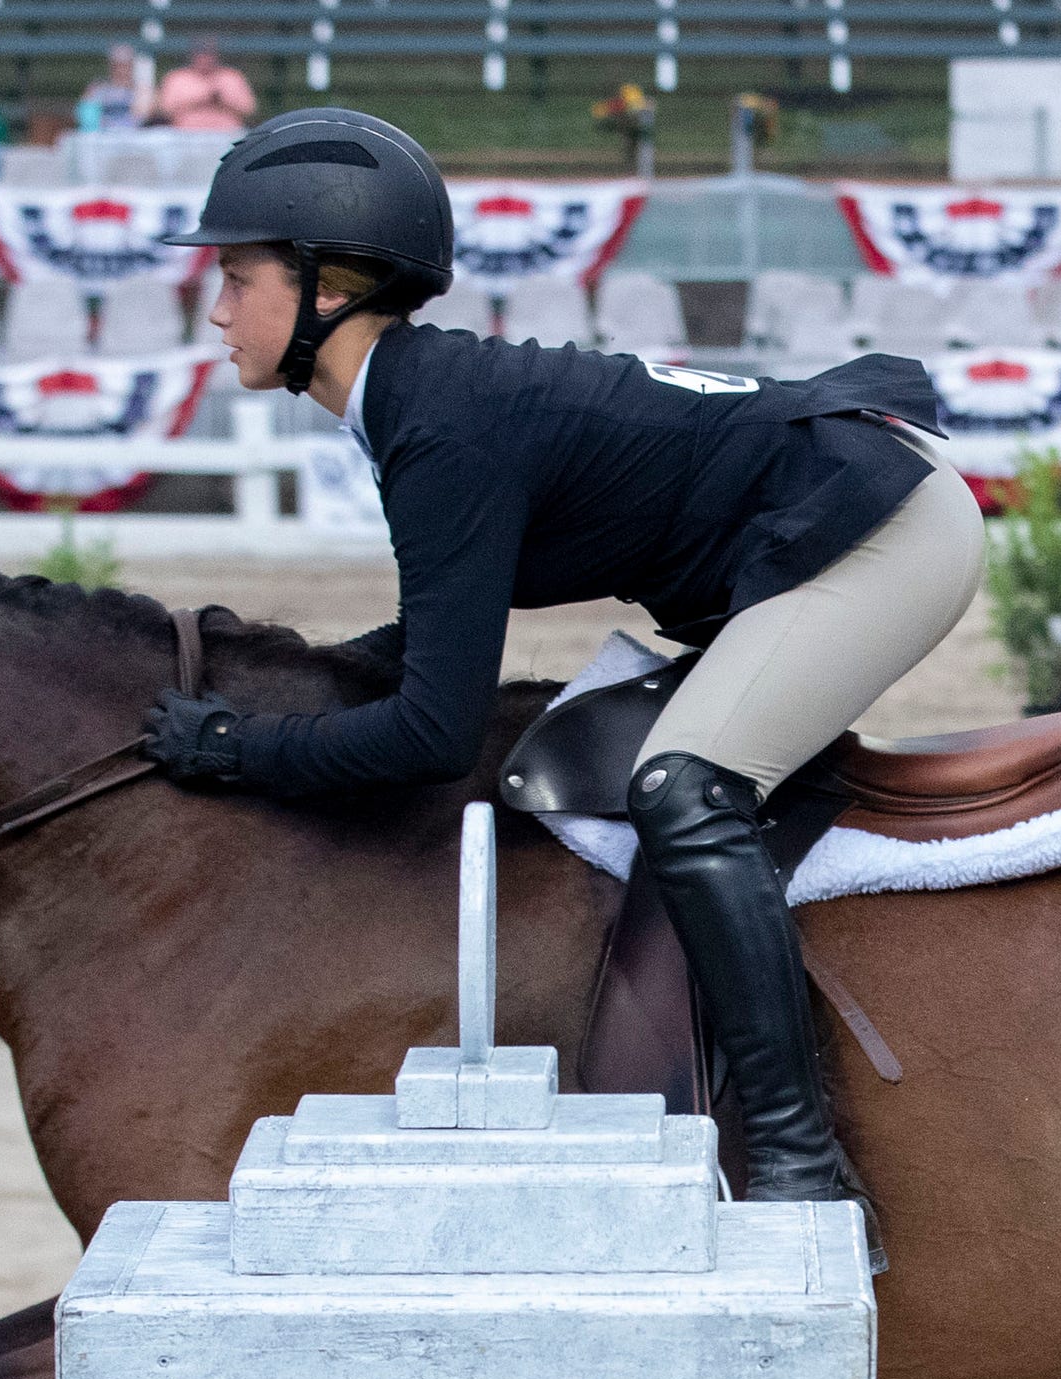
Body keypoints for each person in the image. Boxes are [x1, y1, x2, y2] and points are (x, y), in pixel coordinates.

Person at [142, 109, 983, 1216]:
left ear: (324, 289)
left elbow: (429, 735)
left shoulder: (437, 430)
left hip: (880, 529)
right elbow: (431, 639)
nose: (215, 310)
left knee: (684, 785)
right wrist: (284, 680)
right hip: (827, 514)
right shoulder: (425, 402)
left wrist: (239, 750)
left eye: (237, 277)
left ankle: (801, 1168)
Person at [149, 39, 255, 133]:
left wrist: (221, 101)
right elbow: (164, 110)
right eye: (201, 54)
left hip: (226, 135)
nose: (205, 59)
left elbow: (249, 110)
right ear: (193, 55)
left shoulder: (232, 76)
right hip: (185, 136)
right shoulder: (176, 77)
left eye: (209, 54)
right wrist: (199, 100)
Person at [78, 44, 148, 132]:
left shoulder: (141, 90)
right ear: (111, 66)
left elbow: (142, 116)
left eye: (126, 65)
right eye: (118, 65)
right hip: (102, 136)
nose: (122, 70)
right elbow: (87, 118)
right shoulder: (98, 89)